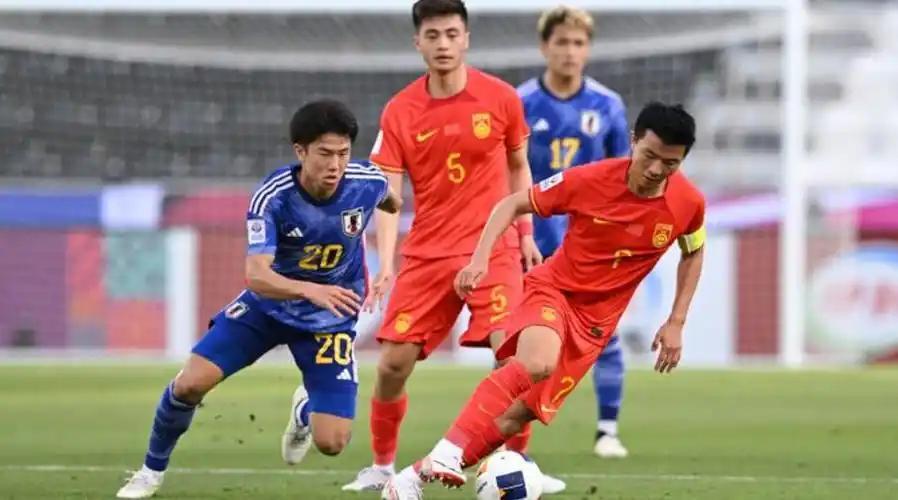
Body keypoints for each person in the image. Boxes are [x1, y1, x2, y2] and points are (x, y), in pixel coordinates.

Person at [382, 102, 706, 498]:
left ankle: (411, 479)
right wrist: (480, 259)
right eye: (649, 155)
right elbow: (511, 203)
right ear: (633, 141)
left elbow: (693, 252)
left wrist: (676, 321)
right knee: (536, 363)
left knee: (515, 417)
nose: (656, 169)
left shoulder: (689, 204)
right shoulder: (589, 179)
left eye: (670, 163)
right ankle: (448, 453)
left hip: (595, 325)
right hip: (554, 291)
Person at [115, 99, 401, 499]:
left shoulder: (365, 181)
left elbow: (391, 202)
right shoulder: (274, 197)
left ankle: (305, 409)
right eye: (324, 153)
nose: (336, 164)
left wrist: (385, 264)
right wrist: (310, 289)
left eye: (343, 153)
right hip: (267, 307)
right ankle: (150, 472)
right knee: (190, 384)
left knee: (333, 442)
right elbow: (257, 275)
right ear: (300, 151)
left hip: (330, 319)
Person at [341, 0, 565, 495]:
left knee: (513, 357)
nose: (443, 44)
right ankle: (381, 466)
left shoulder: (501, 98)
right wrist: (385, 263)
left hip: (494, 249)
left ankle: (516, 462)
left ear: (466, 39)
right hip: (428, 253)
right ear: (417, 43)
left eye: (451, 34)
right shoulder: (400, 110)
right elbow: (388, 197)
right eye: (433, 35)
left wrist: (526, 235)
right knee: (392, 365)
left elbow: (519, 168)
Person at [518, 5, 631, 458]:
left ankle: (608, 430)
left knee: (603, 332)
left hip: (590, 243)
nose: (570, 51)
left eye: (578, 43)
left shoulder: (608, 105)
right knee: (522, 339)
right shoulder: (521, 103)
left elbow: (624, 177)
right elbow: (507, 173)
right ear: (544, 47)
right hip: (532, 240)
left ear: (588, 49)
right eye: (561, 42)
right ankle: (513, 441)